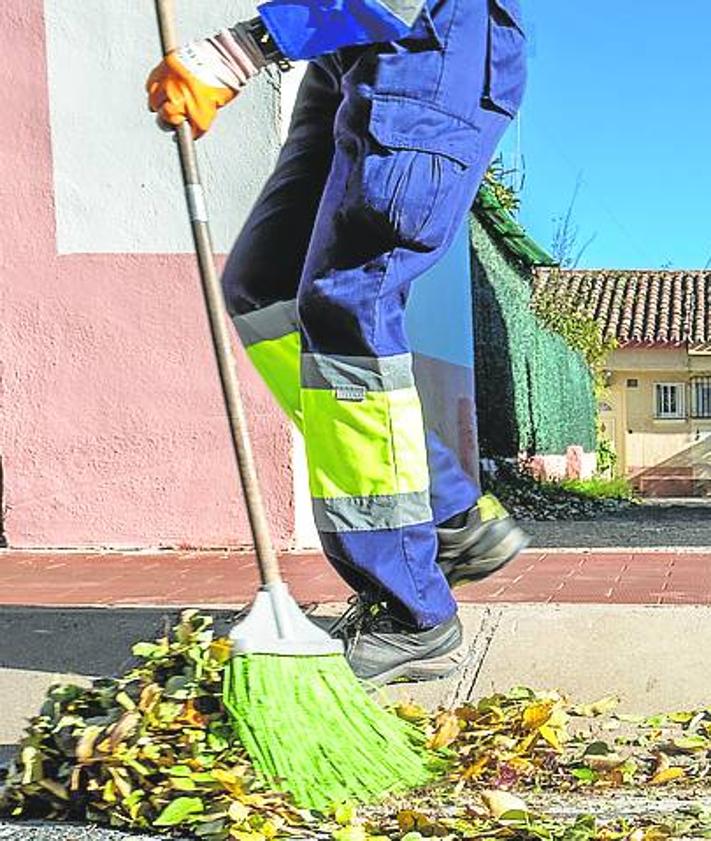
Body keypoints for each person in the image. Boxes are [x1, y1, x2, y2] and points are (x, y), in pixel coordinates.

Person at [146, 0, 528, 685]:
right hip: (347, 57)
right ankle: (446, 514)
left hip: (426, 46)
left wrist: (245, 48)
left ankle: (411, 612)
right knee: (264, 288)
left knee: (349, 302)